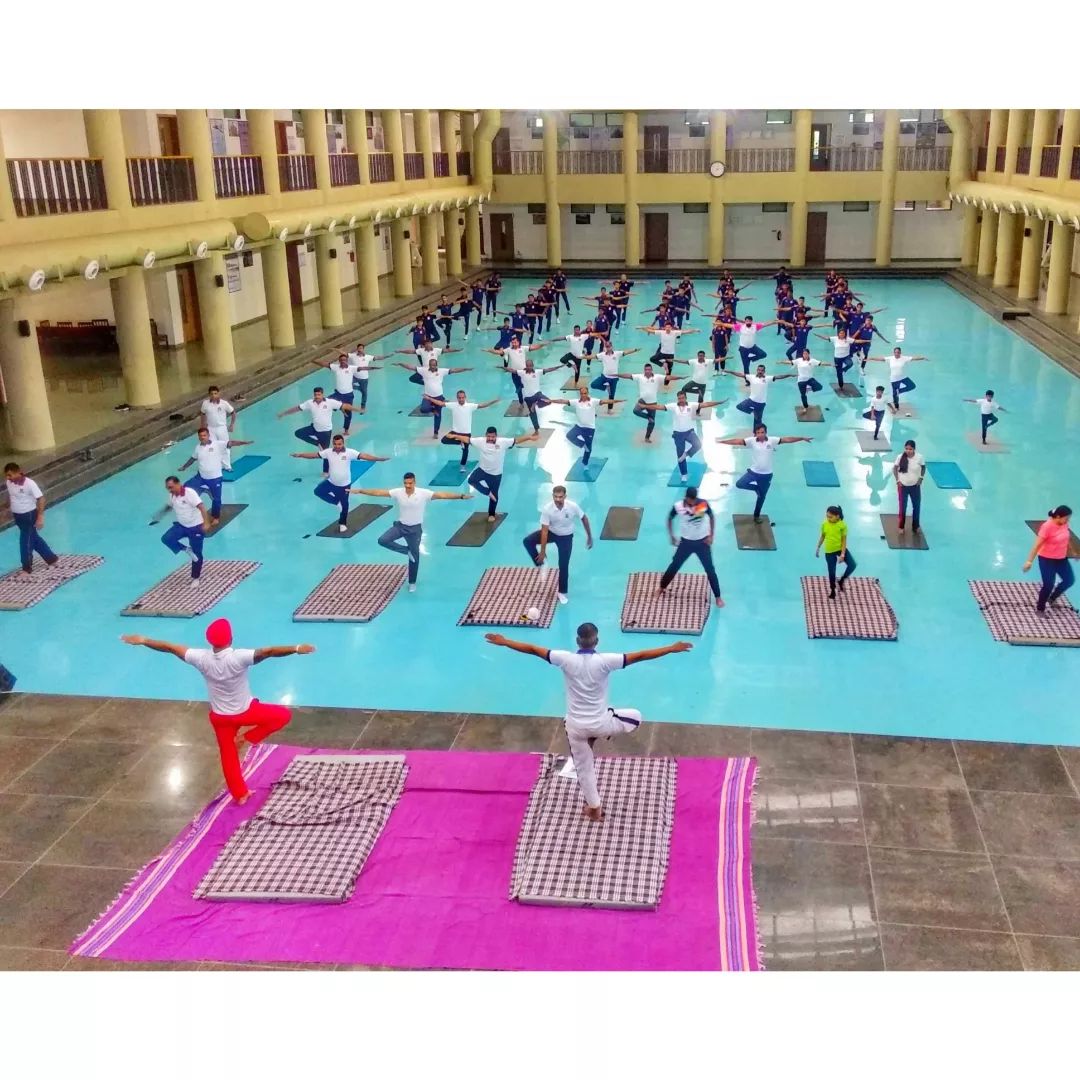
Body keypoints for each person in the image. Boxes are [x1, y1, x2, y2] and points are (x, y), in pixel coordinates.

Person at [484, 624, 692, 820]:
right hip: (601, 723)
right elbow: (642, 655)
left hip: (574, 727)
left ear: (577, 640)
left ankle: (594, 808)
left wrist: (505, 641)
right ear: (597, 640)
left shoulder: (564, 659)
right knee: (635, 716)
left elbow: (531, 648)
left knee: (584, 768)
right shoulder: (605, 661)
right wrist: (671, 648)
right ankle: (601, 733)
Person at [120, 620, 314, 804]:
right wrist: (296, 648)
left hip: (220, 718)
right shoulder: (238, 657)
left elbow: (170, 648)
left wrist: (144, 640)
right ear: (231, 638)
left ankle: (240, 795)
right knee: (283, 716)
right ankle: (247, 738)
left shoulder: (200, 658)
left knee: (228, 755)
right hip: (246, 712)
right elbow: (269, 651)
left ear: (209, 640)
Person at [351, 472, 472, 591]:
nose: (407, 486)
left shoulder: (423, 493)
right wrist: (361, 491)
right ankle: (406, 551)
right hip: (400, 526)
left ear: (414, 482)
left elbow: (442, 495)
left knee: (415, 557)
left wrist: (461, 496)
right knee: (383, 540)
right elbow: (379, 493)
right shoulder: (398, 492)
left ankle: (412, 582)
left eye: (410, 483)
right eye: (405, 483)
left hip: (415, 530)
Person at [291, 434, 389, 533]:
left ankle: (342, 524)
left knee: (345, 505)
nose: (337, 446)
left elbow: (364, 456)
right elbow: (314, 455)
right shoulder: (328, 452)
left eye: (339, 444)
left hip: (344, 485)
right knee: (318, 491)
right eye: (335, 444)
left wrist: (378, 459)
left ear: (343, 443)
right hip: (331, 482)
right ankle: (336, 502)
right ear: (333, 444)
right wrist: (300, 455)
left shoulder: (350, 452)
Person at [718, 424, 813, 523]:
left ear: (765, 432)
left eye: (762, 432)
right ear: (755, 434)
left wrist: (801, 438)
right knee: (740, 484)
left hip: (767, 475)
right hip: (753, 472)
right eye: (758, 433)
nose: (760, 434)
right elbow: (737, 441)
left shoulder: (772, 440)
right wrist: (722, 441)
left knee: (761, 497)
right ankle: (756, 489)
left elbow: (787, 439)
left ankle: (756, 516)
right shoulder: (751, 441)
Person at [446, 427, 538, 520]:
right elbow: (467, 439)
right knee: (471, 480)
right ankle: (487, 492)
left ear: (496, 436)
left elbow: (516, 440)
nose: (490, 438)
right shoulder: (480, 441)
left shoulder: (503, 442)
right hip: (482, 470)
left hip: (496, 474)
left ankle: (491, 514)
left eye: (493, 437)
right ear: (486, 435)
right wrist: (454, 435)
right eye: (488, 436)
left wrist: (529, 437)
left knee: (494, 496)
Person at [523, 485, 593, 604]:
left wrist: (589, 537)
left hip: (566, 537)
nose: (558, 499)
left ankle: (562, 592)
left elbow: (584, 518)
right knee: (527, 541)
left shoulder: (572, 507)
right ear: (553, 496)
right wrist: (543, 552)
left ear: (565, 496)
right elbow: (544, 531)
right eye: (555, 497)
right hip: (551, 532)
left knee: (563, 565)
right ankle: (542, 562)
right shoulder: (547, 509)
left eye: (560, 497)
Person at [658, 485, 725, 608]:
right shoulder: (678, 506)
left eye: (694, 499)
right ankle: (662, 587)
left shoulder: (702, 504)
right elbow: (669, 518)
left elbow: (711, 517)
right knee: (674, 565)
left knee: (710, 569)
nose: (693, 502)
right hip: (686, 543)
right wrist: (672, 535)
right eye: (691, 500)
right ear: (686, 498)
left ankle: (718, 597)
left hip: (702, 543)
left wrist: (711, 535)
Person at [642, 390, 727, 482]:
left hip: (689, 432)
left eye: (682, 398)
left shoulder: (692, 405)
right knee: (680, 456)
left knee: (698, 445)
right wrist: (646, 406)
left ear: (685, 397)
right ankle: (684, 474)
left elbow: (706, 404)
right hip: (678, 434)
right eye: (679, 398)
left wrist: (719, 402)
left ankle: (686, 454)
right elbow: (659, 406)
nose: (681, 400)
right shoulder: (673, 406)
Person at [177, 427, 254, 525]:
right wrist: (184, 467)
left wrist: (244, 443)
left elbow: (231, 443)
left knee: (216, 499)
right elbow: (193, 458)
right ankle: (190, 511)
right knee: (185, 489)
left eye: (204, 435)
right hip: (201, 476)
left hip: (215, 478)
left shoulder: (217, 444)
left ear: (208, 435)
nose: (202, 437)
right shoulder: (198, 447)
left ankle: (215, 517)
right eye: (200, 436)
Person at [277, 387, 359, 473]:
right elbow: (297, 408)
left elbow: (345, 406)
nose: (317, 396)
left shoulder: (330, 402)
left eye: (319, 394)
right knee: (298, 433)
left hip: (325, 432)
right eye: (315, 394)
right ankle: (317, 443)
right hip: (314, 428)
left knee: (325, 453)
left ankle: (326, 471)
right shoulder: (310, 403)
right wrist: (284, 413)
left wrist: (358, 409)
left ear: (322, 394)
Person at [149, 475, 211, 586]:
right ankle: (186, 549)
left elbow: (201, 507)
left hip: (196, 527)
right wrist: (159, 516)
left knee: (197, 554)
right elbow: (169, 506)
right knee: (166, 539)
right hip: (182, 526)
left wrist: (206, 523)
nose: (170, 490)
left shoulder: (189, 493)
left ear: (178, 484)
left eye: (171, 487)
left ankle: (195, 578)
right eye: (168, 488)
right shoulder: (172, 495)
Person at [545, 387, 622, 469]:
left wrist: (616, 401)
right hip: (579, 426)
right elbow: (562, 401)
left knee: (588, 449)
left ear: (588, 393)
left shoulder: (593, 401)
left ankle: (585, 464)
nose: (583, 395)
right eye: (582, 393)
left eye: (585, 393)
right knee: (569, 436)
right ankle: (582, 444)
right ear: (580, 394)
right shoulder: (575, 402)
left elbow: (605, 401)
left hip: (590, 429)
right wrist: (551, 401)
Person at [425, 390, 501, 472]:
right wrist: (429, 398)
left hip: (466, 434)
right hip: (455, 432)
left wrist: (494, 401)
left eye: (462, 398)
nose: (461, 399)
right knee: (444, 440)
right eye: (459, 398)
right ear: (457, 398)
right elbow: (440, 403)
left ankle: (462, 465)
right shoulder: (453, 405)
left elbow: (482, 405)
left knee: (465, 450)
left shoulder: (470, 406)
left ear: (465, 397)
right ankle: (460, 442)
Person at [4, 462, 58, 576]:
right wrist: (8, 507)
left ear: (18, 472)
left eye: (10, 475)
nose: (8, 478)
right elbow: (11, 495)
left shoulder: (29, 484)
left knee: (25, 540)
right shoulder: (9, 482)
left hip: (28, 515)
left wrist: (40, 517)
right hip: (17, 515)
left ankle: (26, 568)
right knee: (33, 537)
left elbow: (41, 499)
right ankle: (51, 558)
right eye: (7, 475)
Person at [399, 355, 473, 438]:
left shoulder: (442, 371)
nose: (432, 366)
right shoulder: (423, 370)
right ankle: (433, 409)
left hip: (439, 397)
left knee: (438, 415)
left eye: (434, 365)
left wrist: (465, 369)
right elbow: (411, 367)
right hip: (427, 396)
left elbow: (454, 370)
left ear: (436, 365)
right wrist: (401, 364)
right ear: (429, 365)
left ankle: (436, 432)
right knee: (424, 409)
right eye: (431, 365)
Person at [1023, 506, 1076, 614]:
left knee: (1069, 580)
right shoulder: (1047, 527)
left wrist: (1073, 552)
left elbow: (1067, 537)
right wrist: (1029, 561)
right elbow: (1036, 545)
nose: (1067, 520)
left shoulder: (1064, 523)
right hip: (1047, 559)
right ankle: (1040, 608)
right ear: (1057, 517)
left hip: (1061, 558)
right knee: (1048, 585)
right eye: (1066, 518)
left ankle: (1052, 598)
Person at [722, 363, 796, 429]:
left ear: (764, 371)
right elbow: (739, 374)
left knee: (758, 420)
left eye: (762, 370)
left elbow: (779, 376)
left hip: (761, 404)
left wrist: (789, 375)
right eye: (759, 370)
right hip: (751, 401)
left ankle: (756, 434)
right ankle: (753, 410)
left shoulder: (767, 378)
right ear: (757, 370)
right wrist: (729, 371)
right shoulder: (751, 377)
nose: (760, 371)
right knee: (739, 406)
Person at [866, 347, 930, 411]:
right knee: (895, 395)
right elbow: (881, 359)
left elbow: (914, 358)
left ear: (900, 352)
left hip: (903, 377)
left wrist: (923, 358)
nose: (897, 354)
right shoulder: (890, 358)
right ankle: (896, 407)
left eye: (898, 352)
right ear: (894, 353)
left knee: (912, 386)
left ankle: (899, 391)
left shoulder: (904, 358)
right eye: (895, 352)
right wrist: (871, 358)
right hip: (894, 379)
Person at [312, 352, 362, 432]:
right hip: (338, 394)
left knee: (348, 413)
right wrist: (314, 361)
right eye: (341, 360)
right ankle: (339, 409)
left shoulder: (351, 368)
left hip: (348, 395)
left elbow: (362, 368)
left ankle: (346, 429)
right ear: (339, 361)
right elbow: (325, 364)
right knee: (323, 403)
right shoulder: (336, 367)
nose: (343, 361)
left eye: (344, 360)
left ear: (347, 361)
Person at [636, 321, 699, 386]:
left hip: (670, 355)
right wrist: (641, 328)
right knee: (652, 359)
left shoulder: (675, 333)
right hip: (662, 353)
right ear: (665, 328)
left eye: (669, 327)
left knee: (669, 372)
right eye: (666, 327)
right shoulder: (661, 332)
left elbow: (685, 332)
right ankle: (663, 365)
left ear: (671, 328)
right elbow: (650, 331)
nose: (668, 328)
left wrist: (695, 330)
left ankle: (666, 383)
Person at [510, 357, 563, 433]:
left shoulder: (538, 372)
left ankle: (535, 403)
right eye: (527, 366)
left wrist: (558, 366)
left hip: (537, 394)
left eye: (530, 365)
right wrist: (503, 367)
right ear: (526, 366)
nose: (529, 367)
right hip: (528, 397)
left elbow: (549, 369)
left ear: (533, 365)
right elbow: (512, 370)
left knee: (548, 401)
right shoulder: (521, 372)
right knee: (532, 414)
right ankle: (536, 429)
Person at [815, 505, 856, 599]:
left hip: (840, 548)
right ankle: (832, 590)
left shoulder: (842, 525)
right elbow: (822, 536)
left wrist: (842, 554)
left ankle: (842, 580)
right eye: (827, 516)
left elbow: (844, 540)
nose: (828, 519)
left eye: (830, 517)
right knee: (832, 571)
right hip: (829, 551)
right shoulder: (824, 524)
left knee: (852, 565)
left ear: (837, 516)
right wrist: (818, 547)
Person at [618, 362, 666, 442]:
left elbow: (668, 377)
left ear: (651, 370)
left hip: (652, 403)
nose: (647, 371)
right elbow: (628, 376)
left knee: (652, 422)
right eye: (646, 369)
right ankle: (648, 417)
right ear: (644, 370)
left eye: (649, 369)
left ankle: (647, 437)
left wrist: (679, 377)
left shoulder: (657, 377)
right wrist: (618, 375)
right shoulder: (639, 377)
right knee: (636, 411)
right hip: (642, 400)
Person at [591, 341, 640, 410]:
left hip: (614, 378)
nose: (608, 348)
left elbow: (626, 352)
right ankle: (606, 387)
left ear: (612, 347)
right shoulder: (602, 355)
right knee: (593, 385)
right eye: (606, 347)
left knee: (611, 395)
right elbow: (592, 356)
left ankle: (609, 409)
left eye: (609, 346)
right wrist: (583, 357)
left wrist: (634, 350)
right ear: (605, 347)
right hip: (604, 376)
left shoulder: (617, 354)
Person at [892, 439, 925, 533]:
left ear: (914, 449)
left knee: (917, 506)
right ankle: (901, 526)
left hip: (915, 486)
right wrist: (898, 481)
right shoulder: (900, 457)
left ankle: (915, 526)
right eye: (906, 449)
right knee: (903, 507)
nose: (908, 451)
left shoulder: (919, 457)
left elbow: (923, 467)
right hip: (903, 487)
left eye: (910, 449)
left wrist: (921, 478)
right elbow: (894, 469)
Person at [200, 386, 237, 469]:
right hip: (210, 428)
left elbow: (233, 413)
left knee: (225, 446)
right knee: (212, 447)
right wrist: (202, 426)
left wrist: (232, 425)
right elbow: (202, 414)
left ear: (218, 393)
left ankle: (227, 466)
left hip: (222, 428)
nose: (213, 395)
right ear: (209, 395)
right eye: (211, 394)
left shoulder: (224, 403)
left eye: (215, 393)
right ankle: (216, 465)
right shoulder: (205, 404)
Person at [347, 342, 388, 412]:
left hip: (364, 378)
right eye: (359, 348)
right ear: (357, 349)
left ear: (363, 349)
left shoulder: (368, 357)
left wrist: (387, 356)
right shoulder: (353, 355)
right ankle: (359, 388)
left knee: (364, 393)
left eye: (361, 348)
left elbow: (378, 358)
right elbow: (344, 353)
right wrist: (337, 350)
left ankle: (363, 407)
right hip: (355, 377)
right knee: (347, 384)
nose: (360, 349)